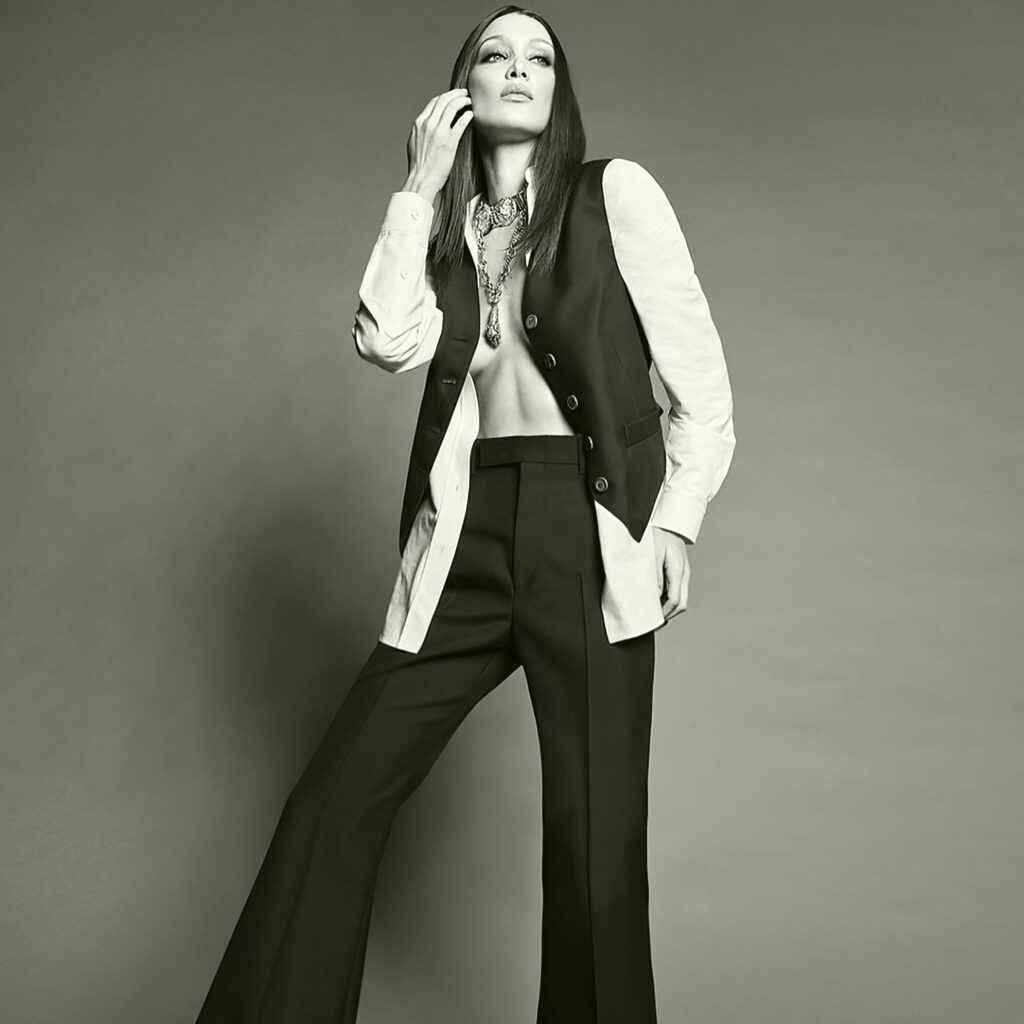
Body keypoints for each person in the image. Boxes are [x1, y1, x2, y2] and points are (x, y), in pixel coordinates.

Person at [195, 5, 735, 1022]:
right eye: (496, 54)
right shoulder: (444, 231)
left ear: (558, 90)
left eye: (540, 57)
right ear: (463, 88)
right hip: (466, 536)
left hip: (588, 534)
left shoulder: (613, 194)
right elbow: (385, 340)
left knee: (595, 845)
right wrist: (416, 187)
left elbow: (700, 387)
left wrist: (674, 522)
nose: (519, 68)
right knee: (334, 798)